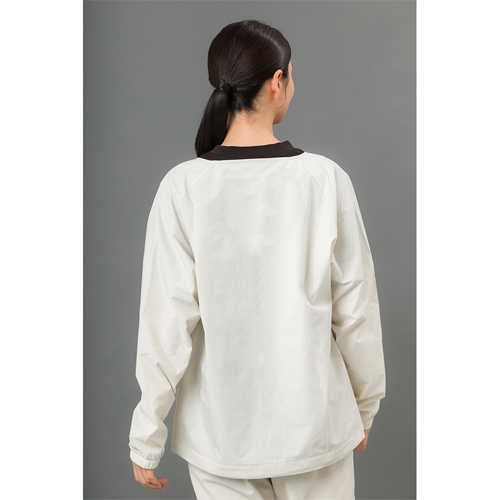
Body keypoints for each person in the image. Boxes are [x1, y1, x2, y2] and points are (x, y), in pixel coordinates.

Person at [129, 19, 386, 500]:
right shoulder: (324, 180)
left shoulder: (183, 187)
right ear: (277, 81)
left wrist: (147, 433)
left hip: (220, 438)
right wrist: (364, 406)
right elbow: (357, 312)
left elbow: (166, 322)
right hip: (316, 431)